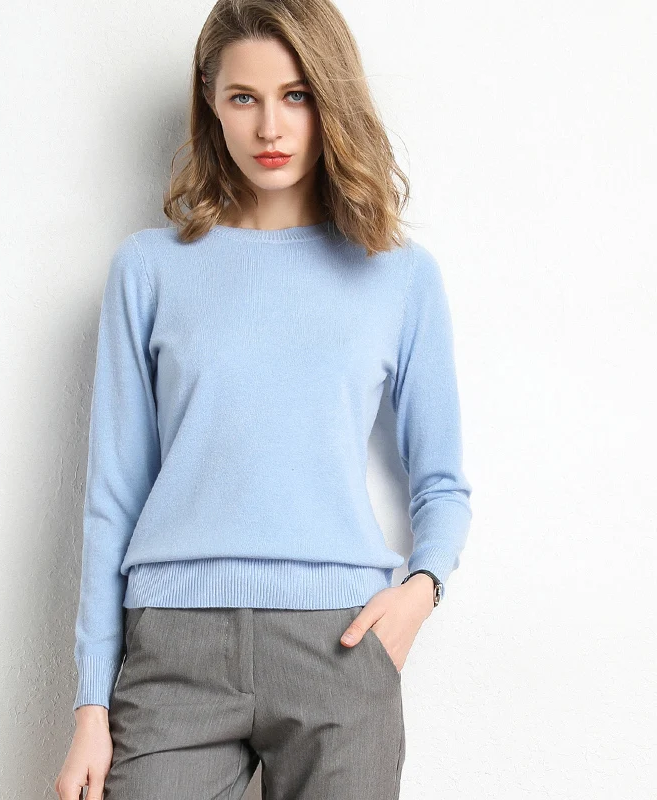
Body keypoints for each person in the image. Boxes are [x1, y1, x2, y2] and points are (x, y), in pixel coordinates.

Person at [55, 1, 472, 798]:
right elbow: (113, 498)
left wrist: (421, 591)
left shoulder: (400, 275)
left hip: (341, 647)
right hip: (174, 652)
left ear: (331, 99)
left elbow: (442, 482)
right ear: (210, 103)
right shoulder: (148, 270)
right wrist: (91, 705)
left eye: (297, 95)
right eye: (243, 97)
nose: (270, 127)